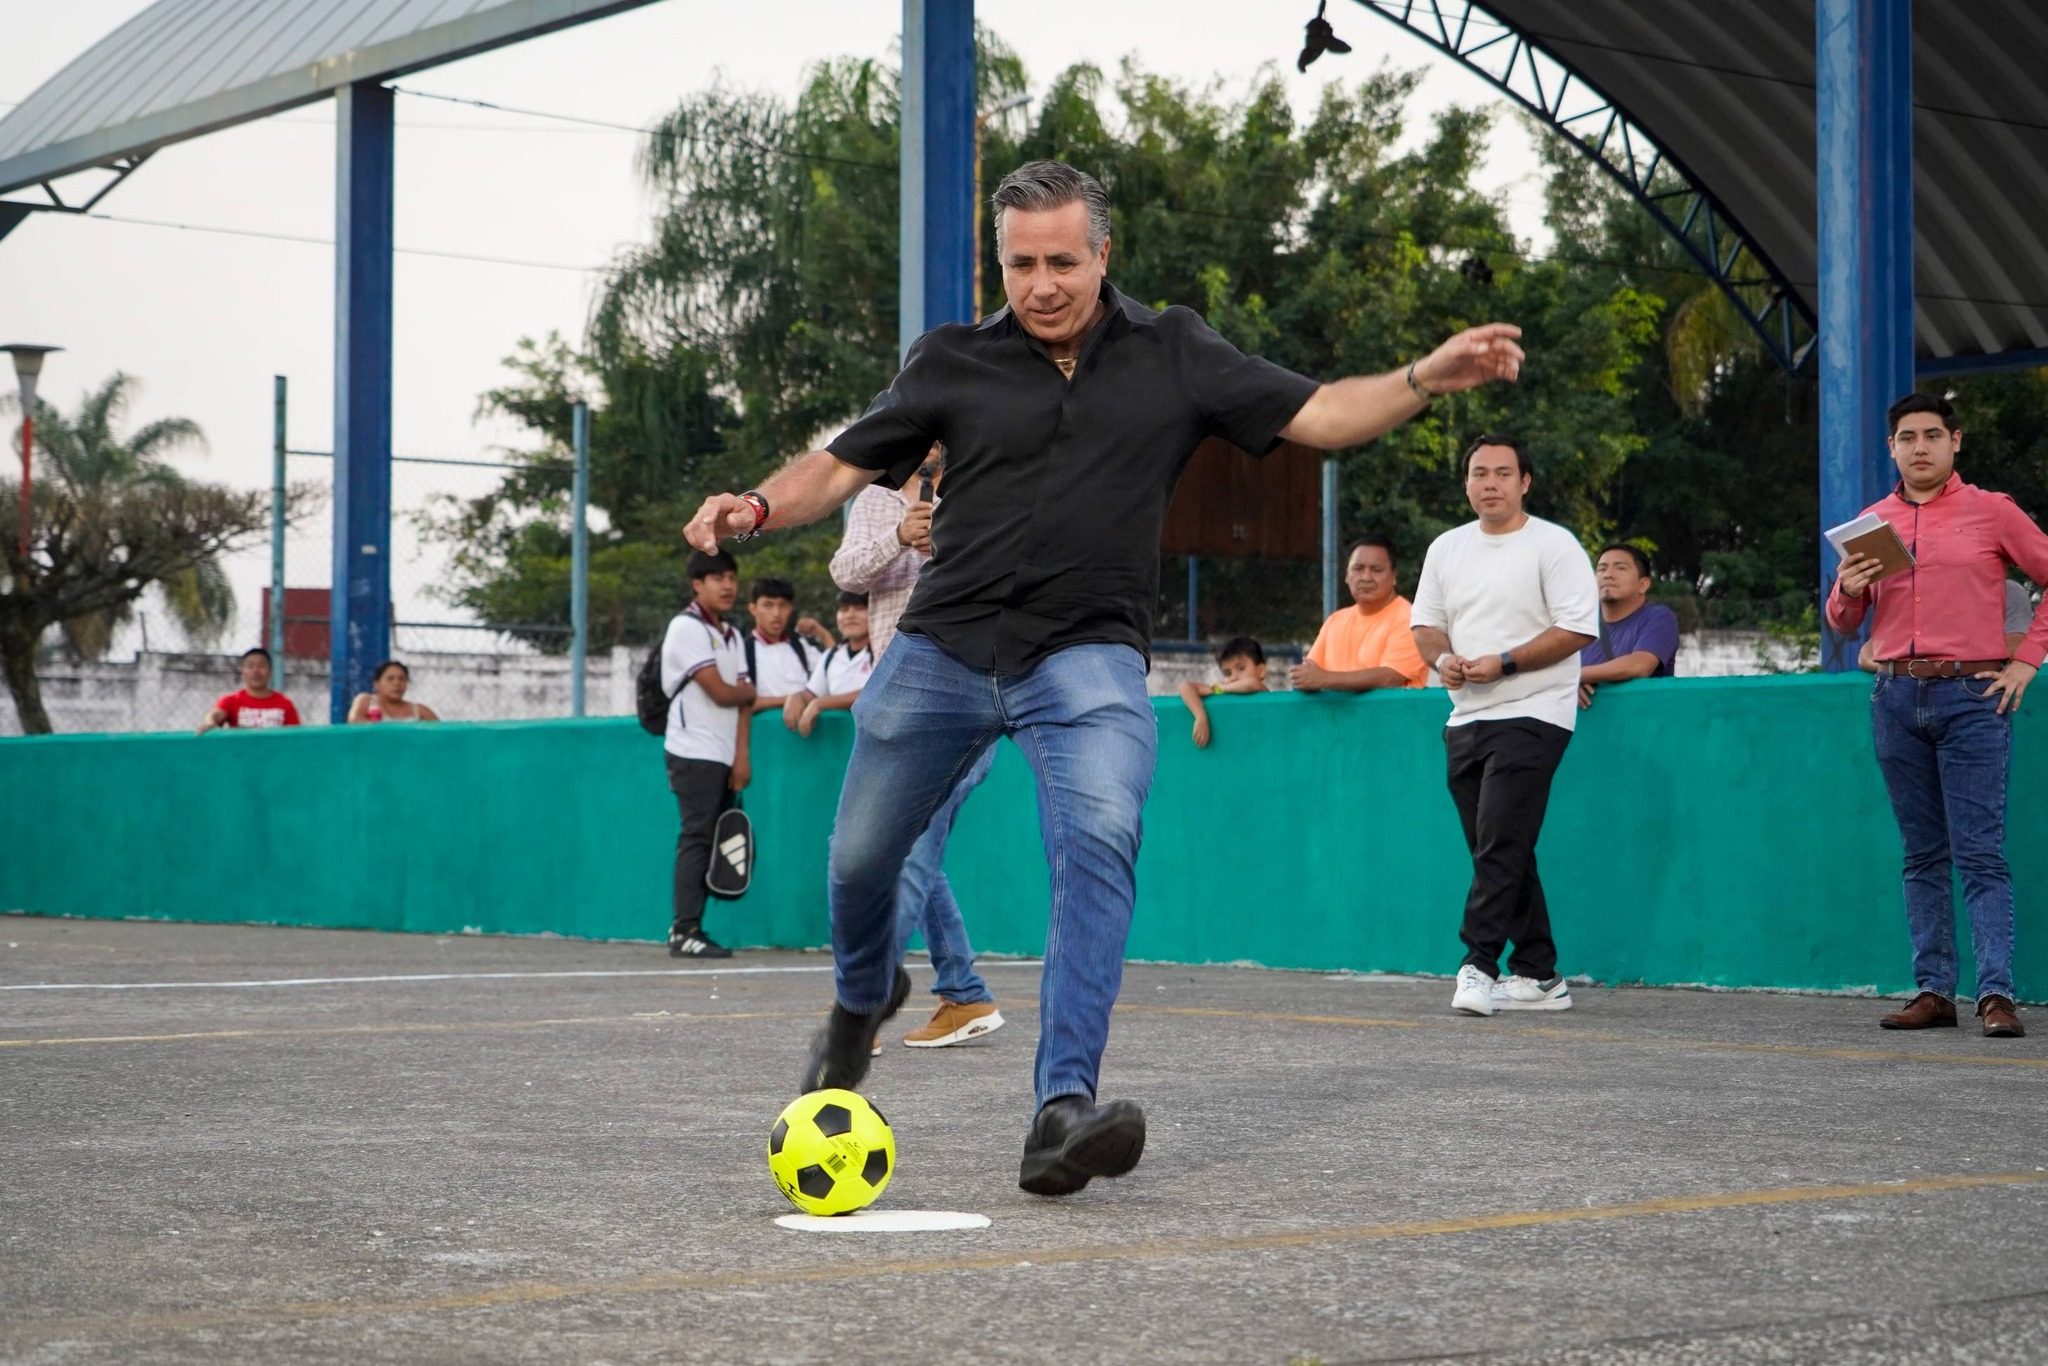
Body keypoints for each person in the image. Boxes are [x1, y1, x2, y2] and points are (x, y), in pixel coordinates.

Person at [685, 159, 1524, 1196]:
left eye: (1062, 262)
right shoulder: (950, 360)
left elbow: (1319, 415)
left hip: (1082, 654)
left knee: (1098, 835)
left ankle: (1060, 1110)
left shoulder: (1173, 352)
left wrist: (1420, 379)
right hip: (942, 649)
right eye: (1020, 264)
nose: (1040, 284)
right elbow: (839, 463)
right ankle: (858, 1009)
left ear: (1103, 255)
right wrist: (755, 507)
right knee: (858, 861)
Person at [1826, 393, 2048, 1040]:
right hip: (1895, 697)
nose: (1918, 447)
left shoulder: (1992, 511)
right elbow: (1842, 625)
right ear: (1891, 448)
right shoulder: (1871, 522)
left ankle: (1997, 994)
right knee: (1922, 855)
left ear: (1955, 442)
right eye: (1906, 437)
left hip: (1972, 698)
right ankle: (1933, 990)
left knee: (1980, 853)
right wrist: (1849, 587)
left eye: (1931, 435)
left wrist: (2027, 662)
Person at [1411, 436, 1598, 1018]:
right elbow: (1426, 627)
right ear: (1466, 482)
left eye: (1502, 473)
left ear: (1525, 482)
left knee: (1498, 843)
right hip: (1465, 715)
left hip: (1535, 710)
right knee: (1500, 847)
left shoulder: (1553, 544)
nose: (1489, 482)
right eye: (1477, 473)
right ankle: (1540, 975)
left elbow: (1577, 630)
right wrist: (1443, 661)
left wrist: (1506, 662)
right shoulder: (1447, 548)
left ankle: (1479, 965)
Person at [831, 446, 1006, 1050]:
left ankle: (863, 1005)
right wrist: (900, 539)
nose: (934, 447)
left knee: (903, 851)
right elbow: (847, 573)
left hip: (966, 697)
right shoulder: (875, 500)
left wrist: (954, 550)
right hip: (892, 704)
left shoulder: (983, 493)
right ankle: (963, 992)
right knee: (909, 851)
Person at [659, 549, 755, 959]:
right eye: (718, 578)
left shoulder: (732, 634)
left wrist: (741, 756)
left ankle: (693, 926)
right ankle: (684, 930)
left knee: (709, 838)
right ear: (697, 585)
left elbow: (743, 702)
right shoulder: (686, 627)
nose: (728, 585)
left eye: (732, 577)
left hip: (721, 754)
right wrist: (746, 692)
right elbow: (722, 691)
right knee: (696, 837)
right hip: (690, 751)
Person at [1289, 538, 1428, 693]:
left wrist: (1326, 679)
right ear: (1347, 576)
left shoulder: (1409, 618)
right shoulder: (1336, 620)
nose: (1366, 577)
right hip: (1336, 716)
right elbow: (1311, 674)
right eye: (1358, 568)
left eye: (1376, 570)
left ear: (1394, 576)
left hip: (1391, 715)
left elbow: (1391, 677)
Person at [1577, 545, 1680, 709]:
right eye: (1601, 569)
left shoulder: (1658, 618)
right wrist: (1570, 685)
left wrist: (1574, 676)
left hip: (1641, 726)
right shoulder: (1579, 624)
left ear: (1643, 584)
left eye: (1620, 568)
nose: (1608, 575)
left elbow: (1639, 666)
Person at [1858, 577, 2034, 673]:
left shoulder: (2008, 591)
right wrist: (1915, 671)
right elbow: (1868, 654)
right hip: (1906, 695)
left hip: (1975, 694)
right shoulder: (1921, 596)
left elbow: (2014, 649)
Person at [782, 592, 874, 737]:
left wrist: (821, 703)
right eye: (843, 609)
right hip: (837, 744)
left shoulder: (885, 651)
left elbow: (878, 692)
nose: (850, 615)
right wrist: (796, 697)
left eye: (859, 608)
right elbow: (812, 693)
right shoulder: (831, 655)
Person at [744, 578, 834, 715]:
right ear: (753, 609)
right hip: (765, 731)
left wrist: (824, 635)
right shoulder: (744, 651)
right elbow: (746, 703)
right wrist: (796, 699)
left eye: (783, 605)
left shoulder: (800, 646)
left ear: (791, 608)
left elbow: (835, 674)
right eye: (768, 605)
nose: (776, 613)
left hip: (807, 731)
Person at [1178, 637, 1270, 749]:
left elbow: (1252, 683)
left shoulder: (1260, 689)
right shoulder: (1221, 689)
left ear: (1260, 671)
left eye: (1241, 668)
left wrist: (1223, 688)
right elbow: (1185, 687)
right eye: (1227, 673)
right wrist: (1200, 717)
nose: (1234, 677)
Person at [197, 648, 301, 733]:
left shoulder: (285, 703)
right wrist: (209, 722)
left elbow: (296, 737)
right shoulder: (231, 701)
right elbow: (215, 714)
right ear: (243, 672)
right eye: (250, 666)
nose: (256, 671)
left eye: (261, 666)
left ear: (270, 672)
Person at [345, 660, 440, 723]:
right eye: (390, 679)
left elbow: (441, 733)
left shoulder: (419, 711)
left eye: (402, 679)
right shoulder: (366, 701)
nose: (397, 683)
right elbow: (354, 722)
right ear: (376, 684)